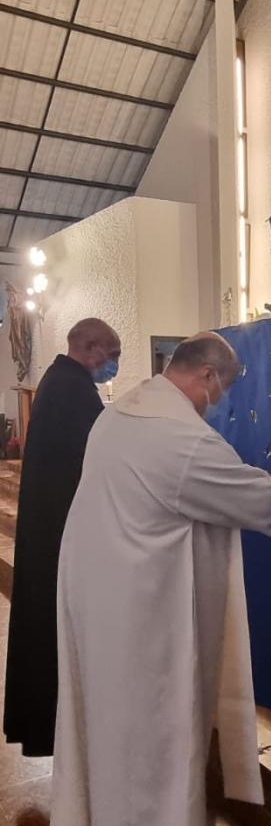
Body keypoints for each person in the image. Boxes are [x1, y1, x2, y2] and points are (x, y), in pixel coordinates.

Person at [49, 334, 271, 826]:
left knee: (117, 733)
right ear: (206, 376)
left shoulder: (125, 410)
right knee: (150, 736)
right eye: (222, 388)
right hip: (142, 615)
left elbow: (209, 486)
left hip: (103, 594)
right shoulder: (179, 436)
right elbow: (235, 492)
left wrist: (265, 482)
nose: (220, 400)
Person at [3, 318, 121, 757]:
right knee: (54, 634)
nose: (114, 365)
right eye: (112, 355)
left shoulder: (60, 382)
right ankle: (58, 727)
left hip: (50, 527)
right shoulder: (71, 390)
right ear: (90, 348)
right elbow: (103, 456)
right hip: (60, 534)